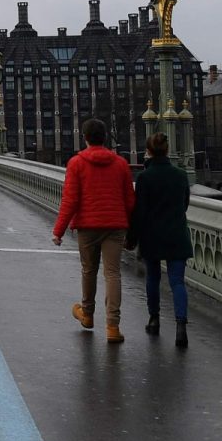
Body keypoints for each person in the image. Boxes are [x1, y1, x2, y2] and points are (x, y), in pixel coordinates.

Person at [51, 118, 136, 344]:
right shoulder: (120, 164)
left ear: (85, 138)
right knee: (113, 274)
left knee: (89, 270)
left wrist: (58, 231)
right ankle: (113, 327)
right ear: (105, 137)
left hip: (88, 226)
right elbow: (130, 201)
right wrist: (131, 228)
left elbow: (70, 200)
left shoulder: (76, 163)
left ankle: (87, 315)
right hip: (115, 226)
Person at [130, 132, 192, 348]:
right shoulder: (181, 175)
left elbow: (140, 212)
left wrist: (133, 238)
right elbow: (185, 204)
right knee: (177, 281)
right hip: (177, 234)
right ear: (167, 150)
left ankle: (154, 319)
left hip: (152, 235)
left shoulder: (145, 178)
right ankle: (181, 326)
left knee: (153, 279)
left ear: (148, 151)